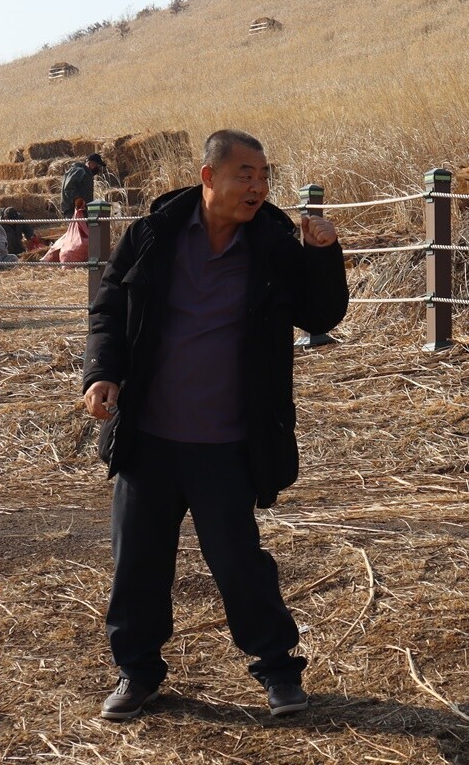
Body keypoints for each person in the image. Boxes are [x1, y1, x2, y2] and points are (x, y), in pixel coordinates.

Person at [82, 129, 348, 720]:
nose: (258, 186)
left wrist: (323, 254)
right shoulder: (152, 235)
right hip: (148, 438)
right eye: (244, 174)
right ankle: (137, 673)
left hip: (227, 441)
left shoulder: (275, 244)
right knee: (137, 564)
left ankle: (278, 670)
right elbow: (108, 312)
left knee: (238, 563)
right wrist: (101, 375)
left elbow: (320, 315)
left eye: (264, 175)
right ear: (208, 176)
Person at [60, 152, 110, 219]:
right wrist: (78, 200)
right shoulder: (80, 171)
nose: (98, 169)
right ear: (90, 163)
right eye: (97, 165)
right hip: (74, 211)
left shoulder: (85, 173)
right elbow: (68, 187)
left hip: (80, 210)